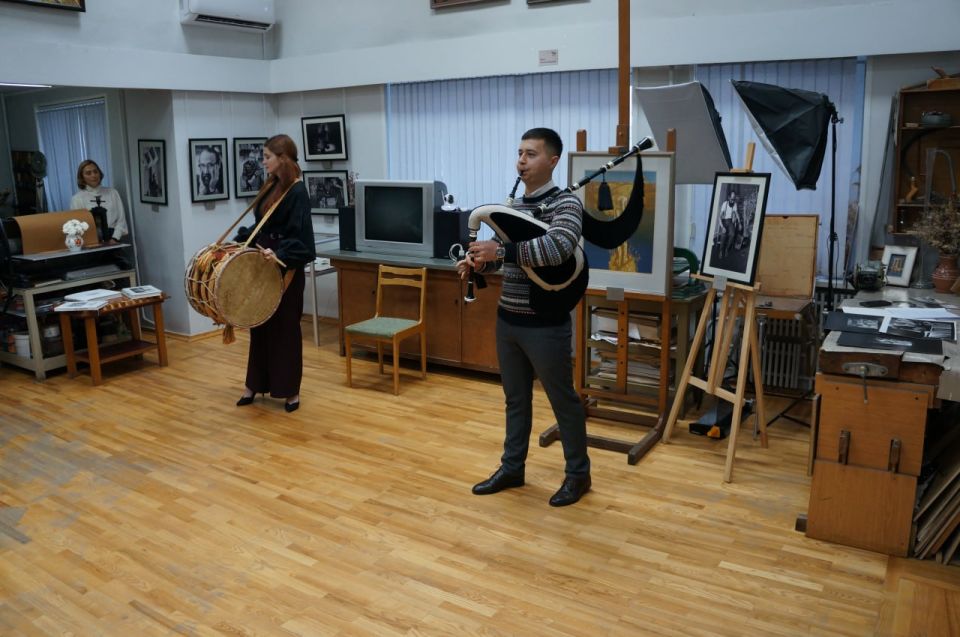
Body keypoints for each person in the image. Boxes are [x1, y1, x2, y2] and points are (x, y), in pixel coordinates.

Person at [457, 127, 591, 507]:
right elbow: (507, 263)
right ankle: (512, 468)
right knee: (515, 400)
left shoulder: (566, 205)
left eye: (531, 154)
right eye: (519, 153)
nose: (521, 160)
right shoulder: (513, 206)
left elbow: (557, 248)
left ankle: (578, 475)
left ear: (552, 160)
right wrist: (478, 265)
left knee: (563, 400)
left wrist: (500, 252)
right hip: (508, 319)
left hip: (545, 323)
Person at [235, 134, 316, 412]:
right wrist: (241, 241)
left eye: (267, 156)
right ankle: (254, 385)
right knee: (259, 327)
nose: (263, 161)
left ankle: (290, 391)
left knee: (285, 330)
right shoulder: (270, 185)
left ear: (282, 159)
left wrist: (279, 254)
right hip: (262, 267)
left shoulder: (297, 191)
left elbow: (302, 240)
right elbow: (261, 227)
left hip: (285, 272)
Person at [70, 159, 128, 243]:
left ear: (100, 173)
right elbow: (77, 225)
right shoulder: (77, 199)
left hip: (114, 238)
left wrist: (115, 238)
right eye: (88, 173)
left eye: (95, 171)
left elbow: (121, 219)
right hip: (90, 241)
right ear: (82, 177)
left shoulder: (113, 193)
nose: (93, 175)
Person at [718, 189, 738, 258]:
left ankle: (727, 249)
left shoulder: (735, 204)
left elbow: (736, 213)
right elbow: (719, 217)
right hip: (724, 221)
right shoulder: (725, 204)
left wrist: (739, 222)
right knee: (723, 235)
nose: (733, 200)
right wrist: (722, 227)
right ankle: (721, 250)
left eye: (734, 199)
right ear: (729, 197)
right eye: (732, 199)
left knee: (732, 234)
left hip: (730, 221)